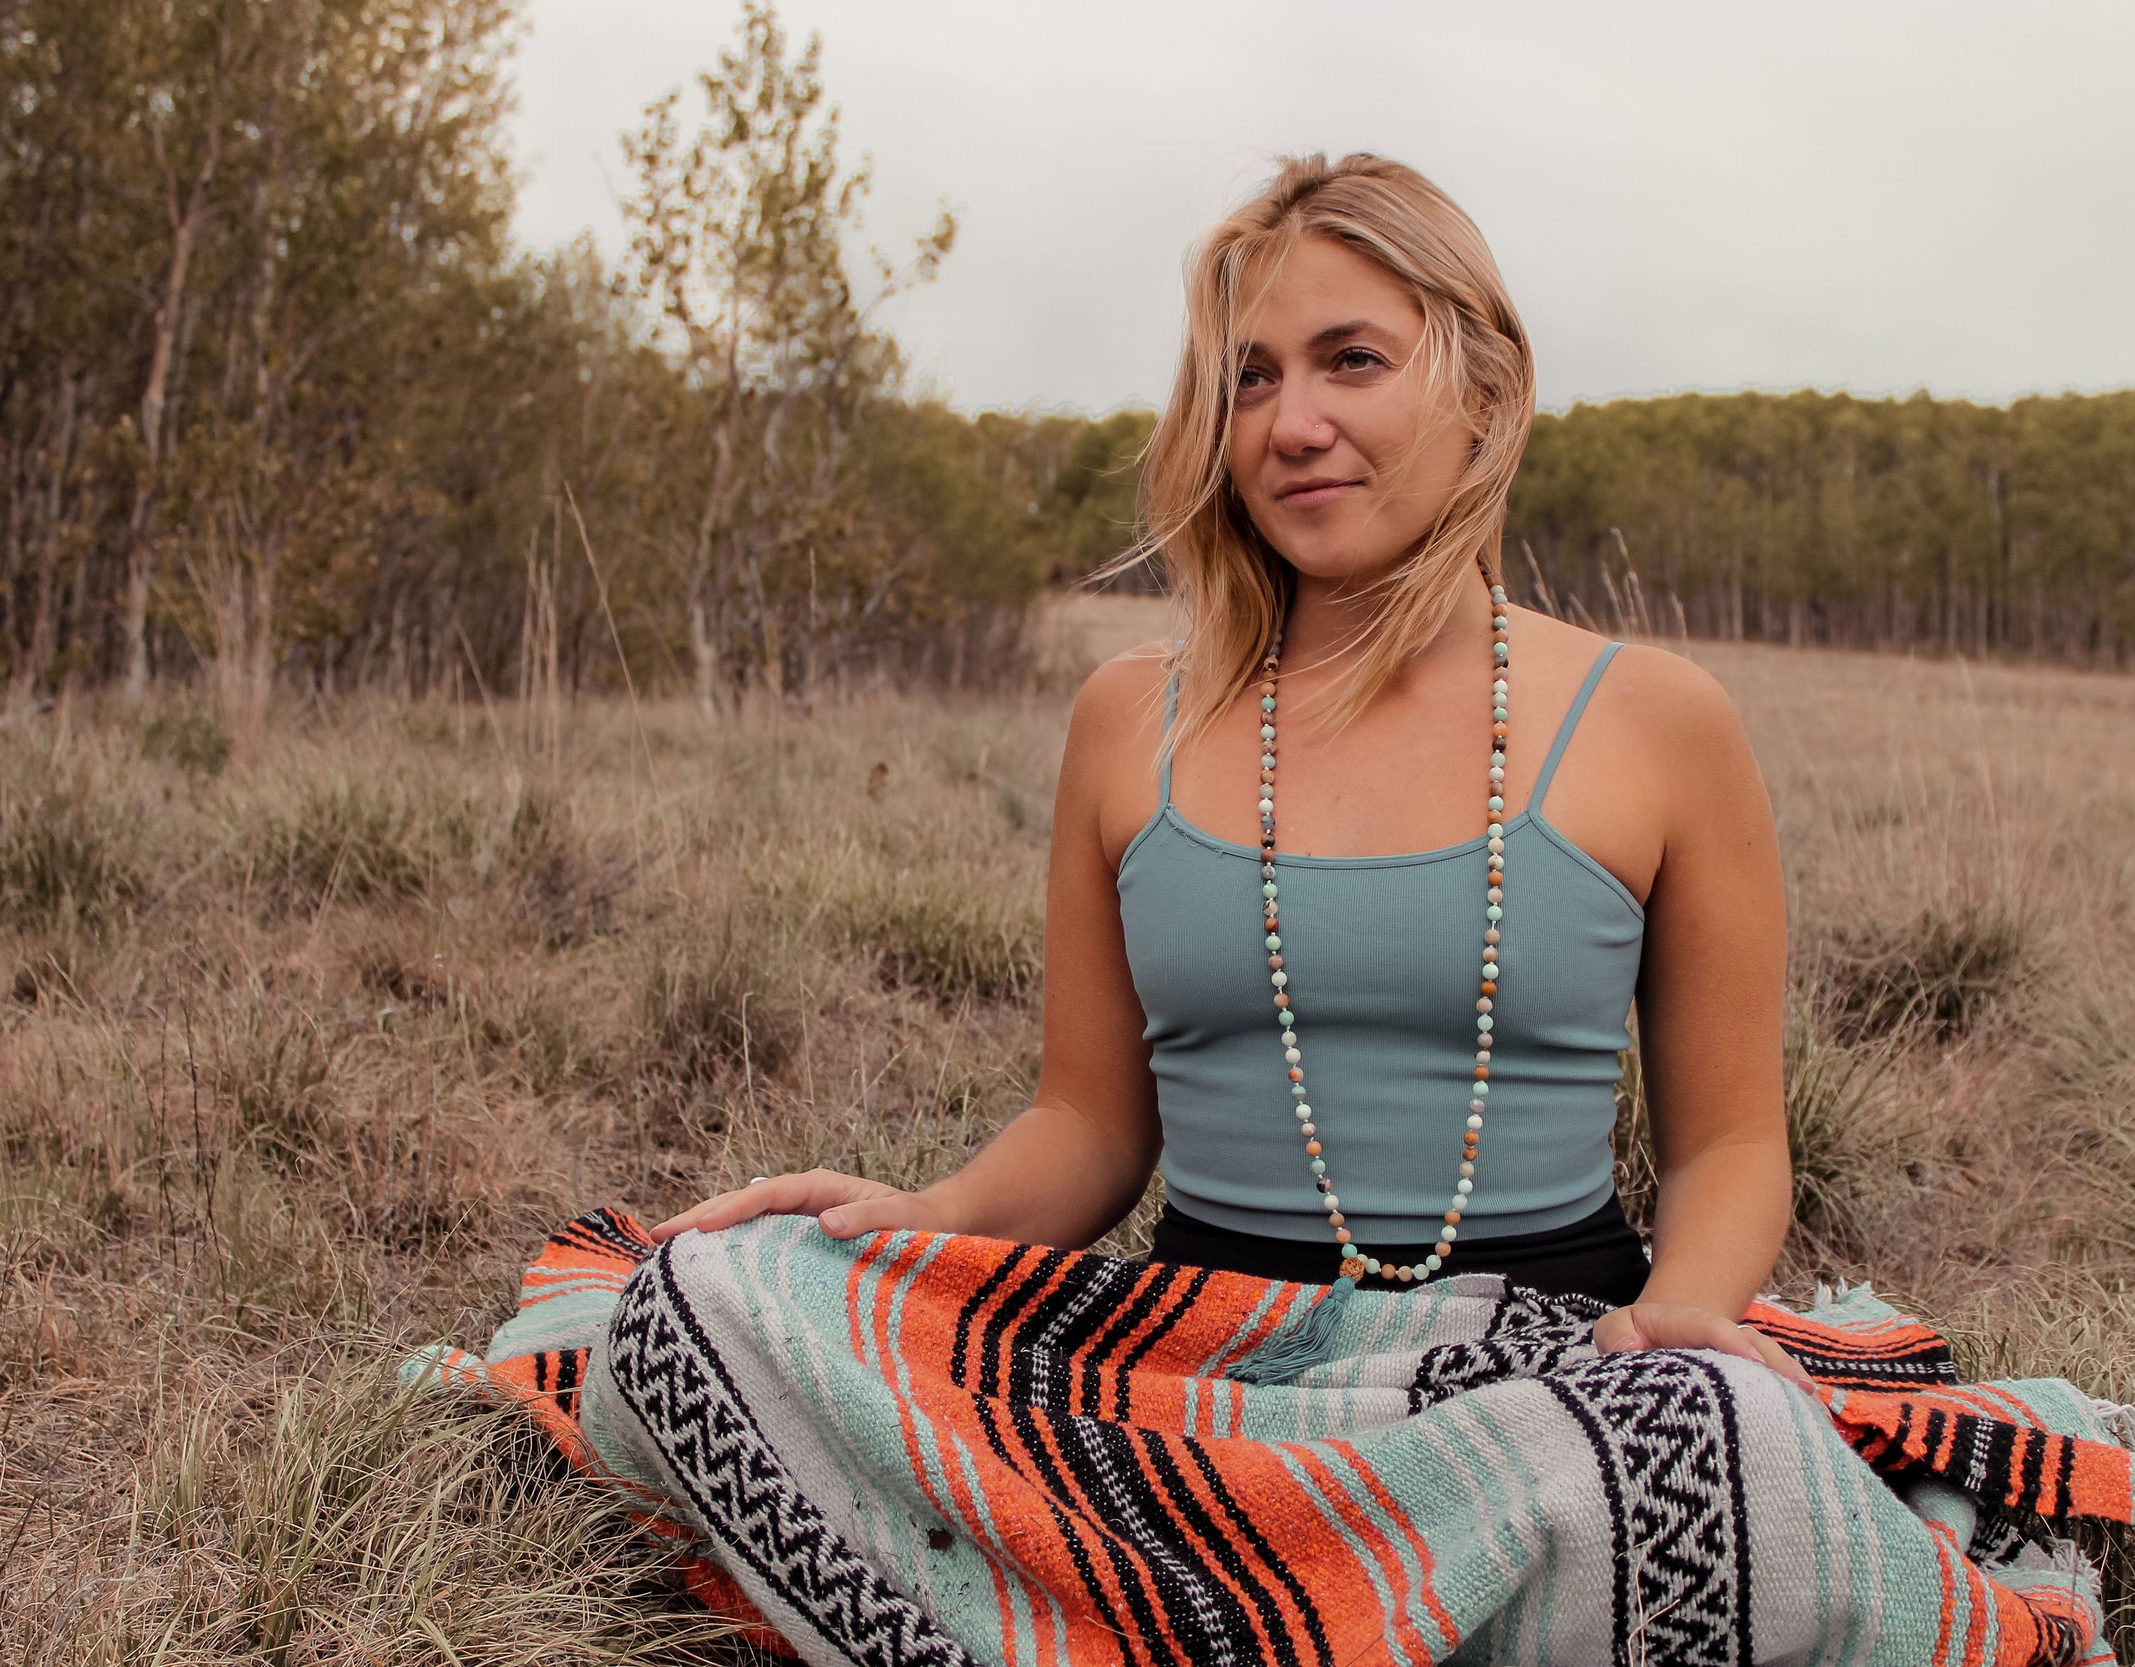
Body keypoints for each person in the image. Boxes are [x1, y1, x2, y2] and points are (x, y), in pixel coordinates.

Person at [651, 150, 1811, 1386]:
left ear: (1483, 386)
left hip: (1558, 1372)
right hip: (1199, 1372)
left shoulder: (1654, 718)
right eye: (1248, 378)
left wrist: (1673, 1325)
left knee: (1728, 1464)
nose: (1290, 424)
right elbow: (1088, 1123)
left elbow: (1729, 1141)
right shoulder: (1128, 715)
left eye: (1349, 359)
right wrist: (915, 1222)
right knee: (704, 1309)